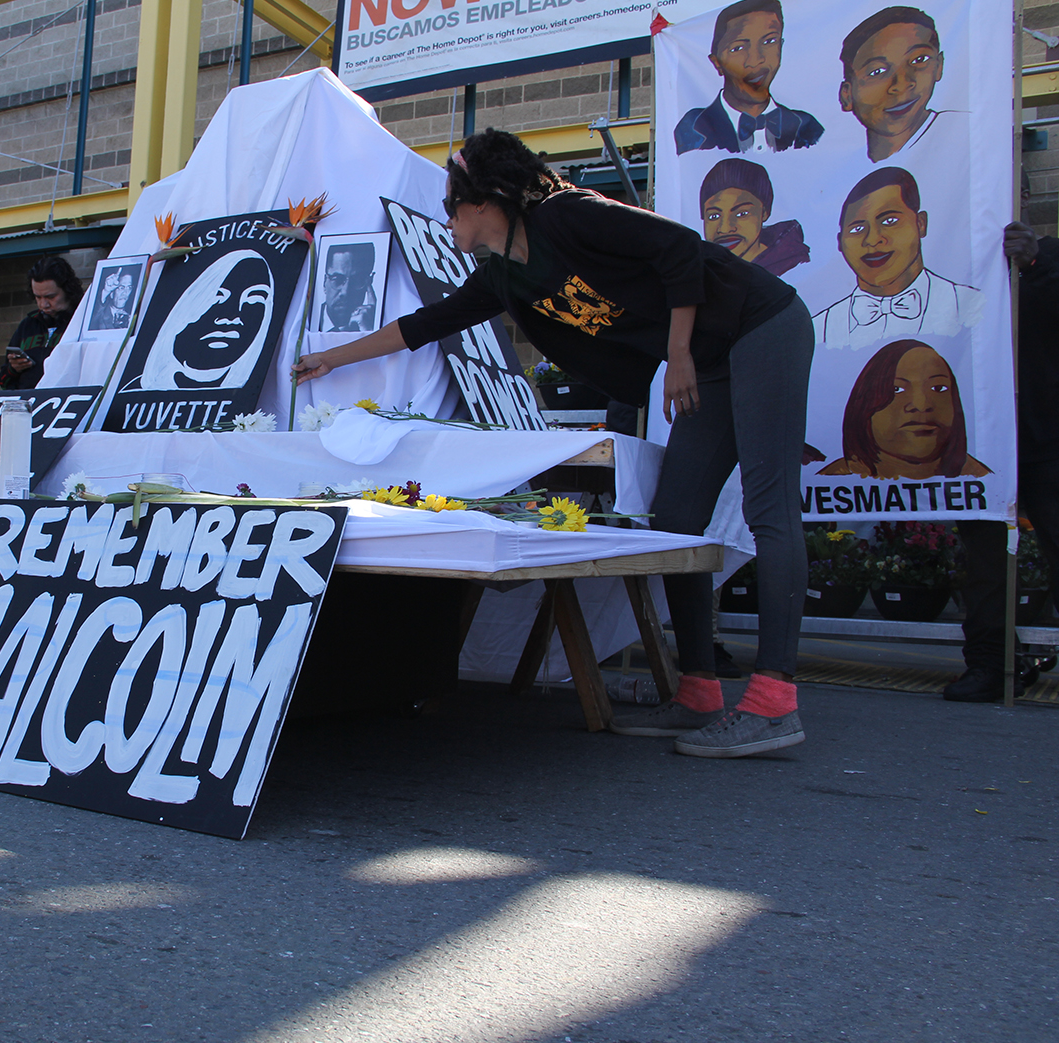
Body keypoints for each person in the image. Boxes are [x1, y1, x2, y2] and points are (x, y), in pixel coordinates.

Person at [294, 129, 814, 758]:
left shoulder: (569, 215)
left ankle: (773, 701)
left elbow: (680, 249)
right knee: (678, 519)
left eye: (451, 205)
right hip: (711, 360)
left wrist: (677, 353)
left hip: (760, 325)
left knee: (769, 506)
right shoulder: (505, 275)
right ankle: (698, 692)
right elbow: (426, 324)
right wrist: (331, 358)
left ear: (484, 201)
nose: (446, 219)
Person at [948, 198, 1059, 703]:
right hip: (983, 441)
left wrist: (1033, 266)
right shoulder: (952, 266)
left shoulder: (1048, 259)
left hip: (1045, 436)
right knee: (984, 562)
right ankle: (991, 663)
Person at [814, 167, 981, 350]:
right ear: (840, 242)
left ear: (921, 223)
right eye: (857, 229)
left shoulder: (973, 309)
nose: (872, 240)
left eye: (889, 221)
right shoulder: (818, 330)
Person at [816, 339, 988, 480]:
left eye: (937, 388)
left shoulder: (984, 480)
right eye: (896, 389)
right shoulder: (830, 481)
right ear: (864, 404)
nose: (921, 405)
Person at [674, 0, 823, 155]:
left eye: (769, 41)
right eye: (738, 48)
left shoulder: (807, 127)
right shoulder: (693, 128)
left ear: (781, 46)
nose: (756, 60)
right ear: (717, 63)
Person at [121, 250, 276, 392]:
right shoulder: (132, 396)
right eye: (217, 296)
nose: (230, 317)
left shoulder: (267, 394)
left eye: (254, 299)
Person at [838, 6, 957, 163]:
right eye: (877, 72)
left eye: (919, 60)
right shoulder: (841, 167)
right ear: (846, 96)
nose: (901, 85)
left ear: (939, 66)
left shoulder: (969, 135)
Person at [698, 159, 809, 276]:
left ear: (764, 213)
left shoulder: (794, 268)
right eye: (714, 216)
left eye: (741, 214)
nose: (725, 229)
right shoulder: (700, 270)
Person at [1, 255, 81, 390]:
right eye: (38, 297)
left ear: (68, 290)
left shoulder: (83, 323)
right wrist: (13, 369)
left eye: (51, 297)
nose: (43, 304)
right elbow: (3, 381)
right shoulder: (27, 325)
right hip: (27, 399)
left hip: (66, 397)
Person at [318, 243, 379, 332]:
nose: (345, 292)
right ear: (324, 282)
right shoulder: (306, 321)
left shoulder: (371, 325)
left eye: (357, 281)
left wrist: (370, 331)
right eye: (337, 280)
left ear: (369, 282)